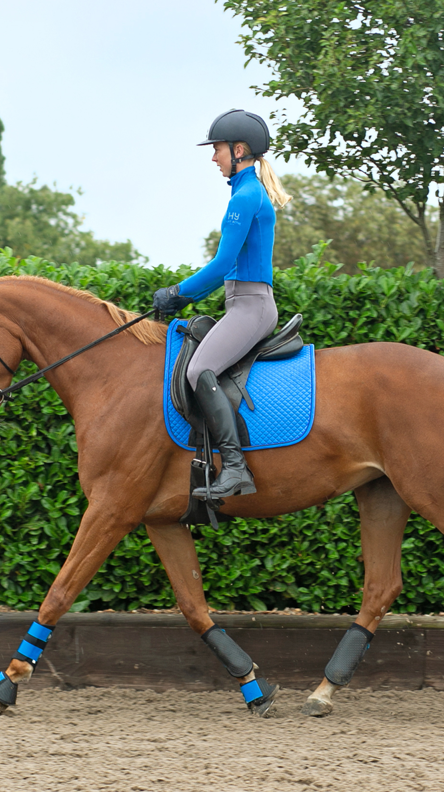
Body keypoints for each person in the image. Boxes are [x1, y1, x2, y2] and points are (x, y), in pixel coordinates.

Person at [153, 109, 292, 499]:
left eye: (217, 150)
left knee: (199, 370)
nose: (213, 158)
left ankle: (235, 468)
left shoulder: (246, 195)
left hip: (252, 307)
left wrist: (178, 292)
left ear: (239, 150)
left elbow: (224, 264)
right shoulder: (244, 192)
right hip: (242, 305)